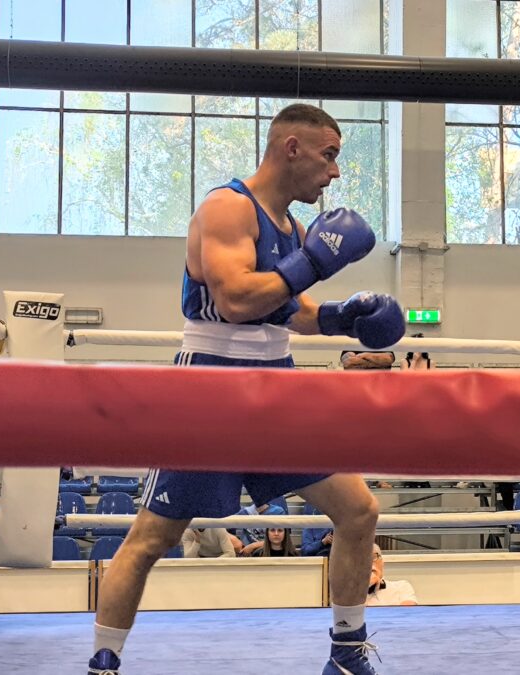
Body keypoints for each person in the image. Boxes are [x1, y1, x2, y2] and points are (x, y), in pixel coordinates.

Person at [89, 104, 401, 675]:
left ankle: (347, 654)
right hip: (211, 383)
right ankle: (103, 665)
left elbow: (291, 311)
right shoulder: (227, 207)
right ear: (292, 148)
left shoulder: (294, 229)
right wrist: (314, 263)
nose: (334, 172)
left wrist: (345, 316)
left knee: (359, 510)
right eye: (329, 155)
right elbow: (235, 300)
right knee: (152, 539)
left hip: (276, 382)